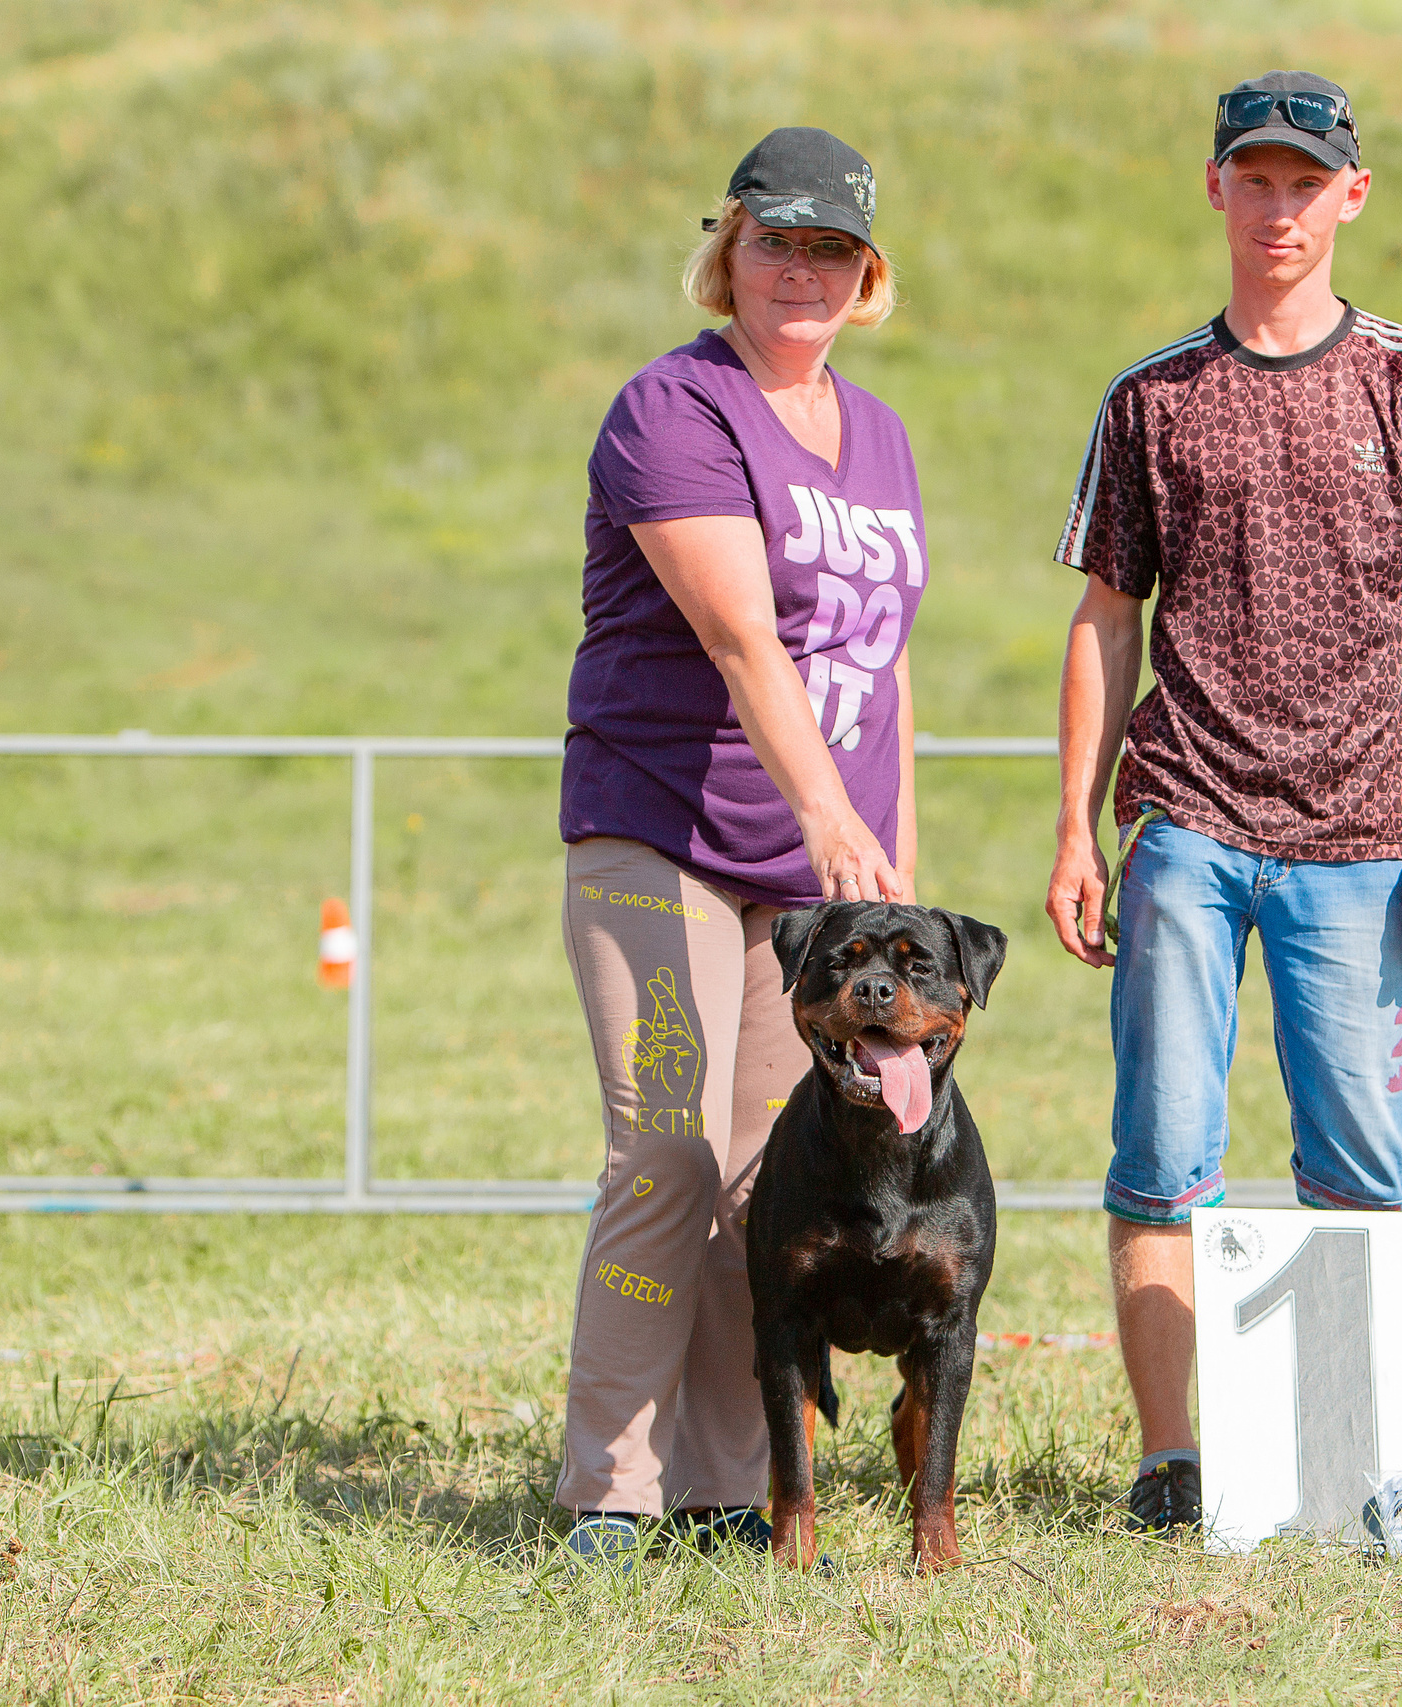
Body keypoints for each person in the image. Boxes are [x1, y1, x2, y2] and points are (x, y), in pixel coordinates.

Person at [1044, 70, 1402, 1533]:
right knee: (1163, 1154)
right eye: (1257, 177)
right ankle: (1175, 1464)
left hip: (1365, 844)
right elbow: (1106, 616)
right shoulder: (1150, 399)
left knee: (1361, 1169)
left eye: (1308, 182)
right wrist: (1076, 823)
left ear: (1352, 198)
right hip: (1182, 825)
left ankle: (1350, 1457)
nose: (1282, 206)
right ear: (1217, 190)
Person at [555, 126, 925, 1564]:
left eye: (832, 248)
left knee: (775, 1187)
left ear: (867, 273)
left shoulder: (877, 432)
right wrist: (829, 817)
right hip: (665, 837)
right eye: (776, 241)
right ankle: (612, 1491)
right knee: (667, 1156)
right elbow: (740, 637)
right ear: (729, 250)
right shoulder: (675, 410)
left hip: (819, 880)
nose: (802, 271)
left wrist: (891, 858)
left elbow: (883, 665)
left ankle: (724, 1489)